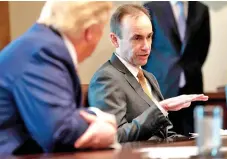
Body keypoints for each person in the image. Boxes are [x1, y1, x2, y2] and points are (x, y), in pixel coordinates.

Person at [0, 1, 117, 155]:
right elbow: (60, 131)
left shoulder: (39, 44)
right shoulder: (43, 52)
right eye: (102, 29)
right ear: (90, 31)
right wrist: (100, 120)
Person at [88, 4, 208, 143]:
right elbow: (115, 137)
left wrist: (193, 142)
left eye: (149, 37)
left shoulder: (149, 77)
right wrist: (160, 109)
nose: (146, 46)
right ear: (115, 40)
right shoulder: (106, 78)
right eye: (137, 38)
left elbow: (166, 134)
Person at [142, 1, 210, 136]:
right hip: (161, 84)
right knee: (162, 137)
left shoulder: (201, 9)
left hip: (192, 84)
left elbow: (203, 46)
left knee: (194, 137)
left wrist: (191, 68)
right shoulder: (151, 8)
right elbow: (146, 46)